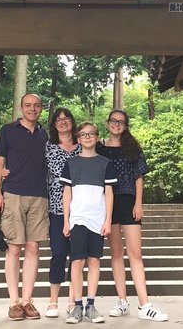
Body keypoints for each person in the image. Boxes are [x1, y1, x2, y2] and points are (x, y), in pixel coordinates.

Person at [96, 109, 168, 322]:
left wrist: (138, 203)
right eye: (113, 121)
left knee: (135, 253)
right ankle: (122, 301)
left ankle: (144, 304)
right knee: (116, 253)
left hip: (129, 200)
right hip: (107, 202)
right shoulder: (99, 148)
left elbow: (138, 176)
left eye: (121, 122)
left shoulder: (132, 147)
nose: (116, 124)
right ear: (107, 123)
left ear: (125, 126)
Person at [0, 93, 49, 321]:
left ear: (41, 108)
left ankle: (27, 301)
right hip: (13, 193)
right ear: (21, 107)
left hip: (39, 195)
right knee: (14, 248)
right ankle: (14, 302)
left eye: (36, 106)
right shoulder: (7, 130)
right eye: (28, 105)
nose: (32, 109)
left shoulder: (46, 134)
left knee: (33, 248)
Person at [61, 122, 116, 324]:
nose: (87, 137)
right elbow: (67, 193)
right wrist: (66, 220)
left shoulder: (105, 163)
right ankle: (77, 305)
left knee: (94, 260)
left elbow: (109, 193)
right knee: (77, 261)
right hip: (77, 219)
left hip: (97, 218)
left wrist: (108, 219)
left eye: (91, 134)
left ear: (97, 136)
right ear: (78, 138)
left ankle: (90, 305)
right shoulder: (71, 163)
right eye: (83, 134)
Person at [43, 108, 82, 318]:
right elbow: (34, 169)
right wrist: (7, 171)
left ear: (72, 122)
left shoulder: (83, 146)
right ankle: (52, 301)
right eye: (58, 119)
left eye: (66, 118)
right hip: (57, 209)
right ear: (54, 124)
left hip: (81, 209)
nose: (63, 121)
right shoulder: (48, 147)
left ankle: (72, 300)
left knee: (77, 255)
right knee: (58, 252)